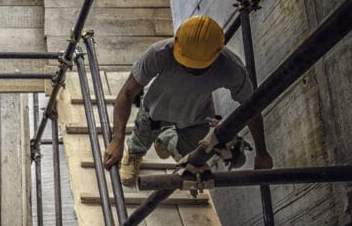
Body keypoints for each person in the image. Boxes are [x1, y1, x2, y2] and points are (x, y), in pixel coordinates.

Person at [103, 15, 274, 186]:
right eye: (186, 62)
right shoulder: (159, 53)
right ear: (178, 43)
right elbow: (127, 92)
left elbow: (250, 108)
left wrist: (262, 152)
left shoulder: (230, 69)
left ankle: (165, 139)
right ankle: (134, 154)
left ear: (216, 54)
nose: (189, 67)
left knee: (191, 159)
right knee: (141, 137)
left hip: (195, 117)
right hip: (156, 110)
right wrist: (117, 140)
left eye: (197, 66)